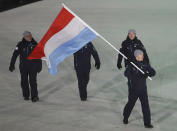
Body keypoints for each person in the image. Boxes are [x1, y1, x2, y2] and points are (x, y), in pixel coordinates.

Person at [123, 49, 156, 128]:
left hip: (143, 89)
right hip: (134, 89)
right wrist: (129, 72)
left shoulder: (145, 64)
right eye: (141, 55)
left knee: (145, 106)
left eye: (142, 55)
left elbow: (153, 72)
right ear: (137, 56)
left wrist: (148, 74)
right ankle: (125, 116)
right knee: (131, 104)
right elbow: (126, 74)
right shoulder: (132, 65)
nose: (142, 56)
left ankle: (147, 123)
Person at [9, 31, 42, 102]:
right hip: (23, 67)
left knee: (33, 82)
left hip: (33, 67)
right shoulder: (20, 45)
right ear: (24, 37)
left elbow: (39, 56)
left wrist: (39, 66)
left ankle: (34, 96)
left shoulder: (35, 44)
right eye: (27, 36)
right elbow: (15, 55)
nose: (29, 37)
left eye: (30, 35)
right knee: (24, 81)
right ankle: (26, 95)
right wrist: (12, 65)